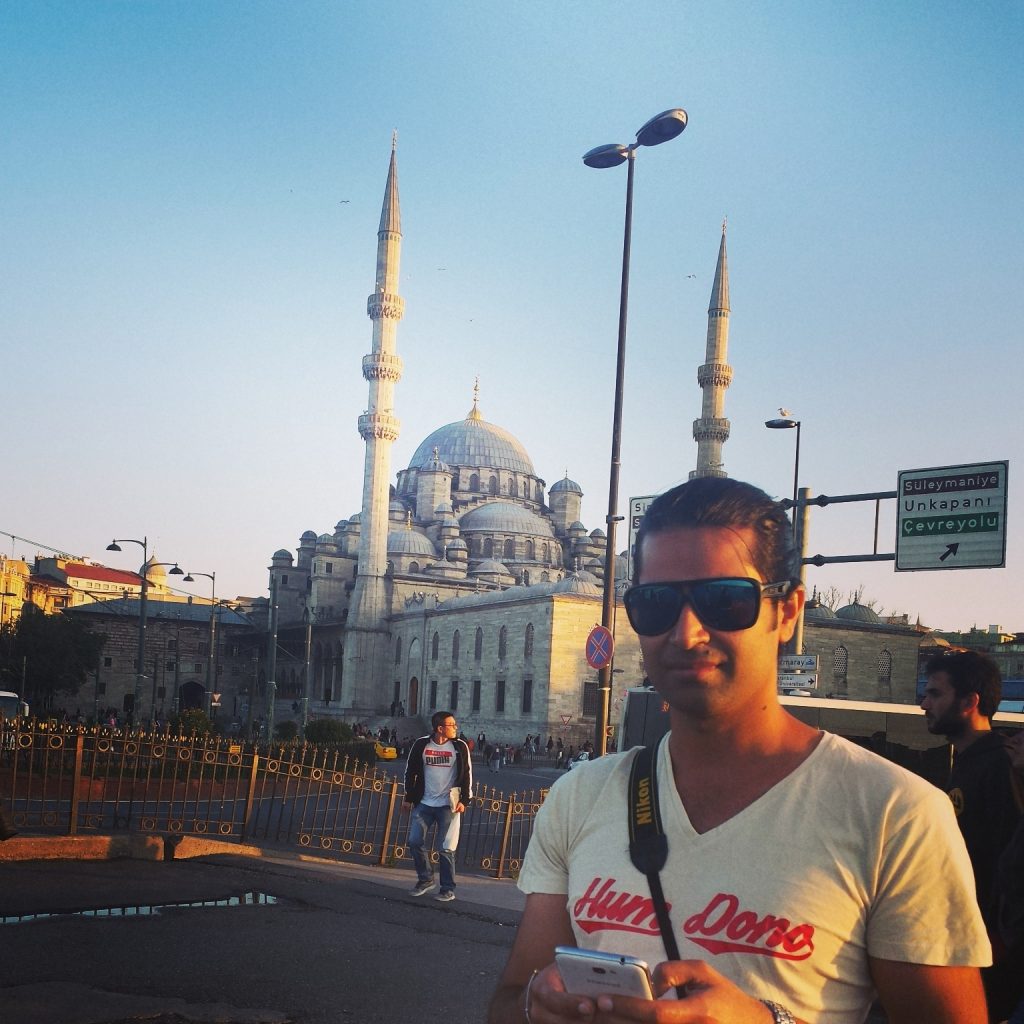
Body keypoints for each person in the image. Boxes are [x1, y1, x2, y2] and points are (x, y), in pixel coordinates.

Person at [488, 476, 989, 1024]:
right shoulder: (580, 798)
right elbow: (512, 998)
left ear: (788, 611)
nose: (686, 633)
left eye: (725, 599)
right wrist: (541, 1006)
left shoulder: (895, 815)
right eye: (656, 604)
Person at [921, 650, 1023, 1021]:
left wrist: (1000, 939)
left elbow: (1008, 860)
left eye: (934, 694)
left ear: (969, 702)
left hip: (992, 949)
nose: (924, 704)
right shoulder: (966, 763)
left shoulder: (1000, 765)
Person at [402, 710, 472, 903]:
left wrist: (464, 801)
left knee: (446, 848)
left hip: (448, 806)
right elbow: (411, 771)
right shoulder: (421, 744)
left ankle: (447, 888)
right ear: (440, 728)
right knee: (415, 841)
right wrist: (409, 796)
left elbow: (466, 774)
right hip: (424, 802)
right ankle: (425, 879)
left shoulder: (459, 747)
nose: (455, 728)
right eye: (452, 725)